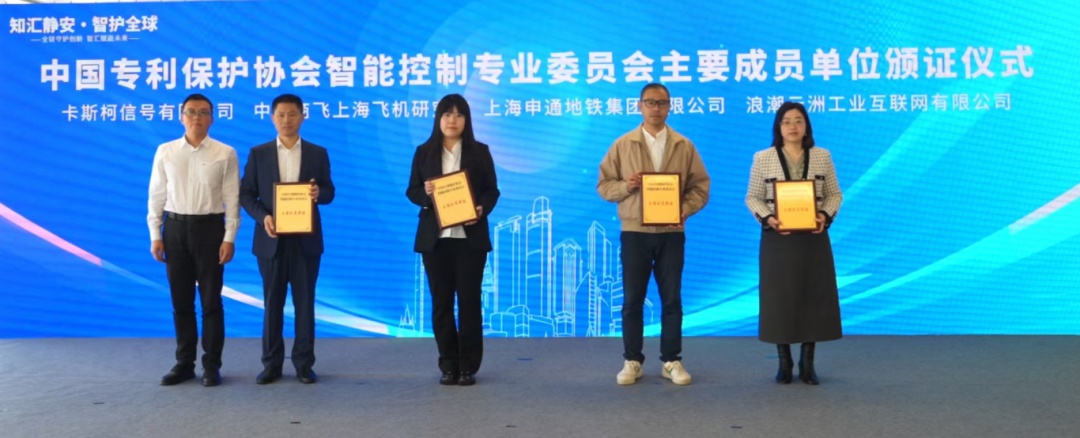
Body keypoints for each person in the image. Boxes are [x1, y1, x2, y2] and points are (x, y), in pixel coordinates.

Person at [597, 83, 710, 386]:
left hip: (672, 232)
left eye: (661, 103)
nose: (656, 108)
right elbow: (604, 186)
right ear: (639, 106)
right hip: (635, 232)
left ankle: (671, 360)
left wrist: (683, 209)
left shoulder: (684, 145)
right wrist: (627, 186)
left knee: (671, 299)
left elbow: (700, 187)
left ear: (669, 107)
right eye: (650, 102)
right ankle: (632, 360)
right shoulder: (623, 144)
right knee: (632, 299)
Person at [239, 93, 335, 385]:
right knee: (272, 304)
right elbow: (246, 194)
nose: (286, 120)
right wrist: (264, 217)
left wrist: (319, 193)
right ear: (272, 118)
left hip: (306, 241)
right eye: (280, 115)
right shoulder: (259, 153)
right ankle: (271, 364)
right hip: (271, 239)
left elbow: (329, 191)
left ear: (302, 117)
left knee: (305, 304)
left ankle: (304, 364)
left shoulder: (317, 153)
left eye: (292, 114)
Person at [745, 101, 843, 385]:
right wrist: (769, 218)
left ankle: (808, 362)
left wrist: (825, 215)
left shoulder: (822, 156)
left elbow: (835, 194)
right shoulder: (762, 157)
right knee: (780, 300)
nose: (793, 126)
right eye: (787, 121)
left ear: (806, 127)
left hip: (814, 238)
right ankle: (784, 361)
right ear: (778, 127)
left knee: (813, 297)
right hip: (778, 240)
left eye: (799, 120)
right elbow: (752, 197)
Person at [406, 94, 499, 386]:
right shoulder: (424, 152)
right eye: (447, 114)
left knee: (469, 303)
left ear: (466, 120)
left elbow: (491, 190)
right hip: (436, 241)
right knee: (441, 304)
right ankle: (448, 364)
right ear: (438, 119)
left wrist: (481, 209)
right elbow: (412, 191)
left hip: (470, 240)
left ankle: (468, 366)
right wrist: (427, 194)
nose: (452, 120)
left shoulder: (480, 151)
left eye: (459, 115)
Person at [147, 93, 240, 387]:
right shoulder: (166, 151)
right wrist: (155, 234)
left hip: (210, 230)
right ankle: (184, 364)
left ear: (212, 118)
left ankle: (211, 365)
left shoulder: (225, 153)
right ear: (181, 117)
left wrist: (229, 237)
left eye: (203, 112)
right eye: (190, 112)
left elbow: (232, 199)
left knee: (211, 302)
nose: (196, 117)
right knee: (181, 301)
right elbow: (156, 195)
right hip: (174, 229)